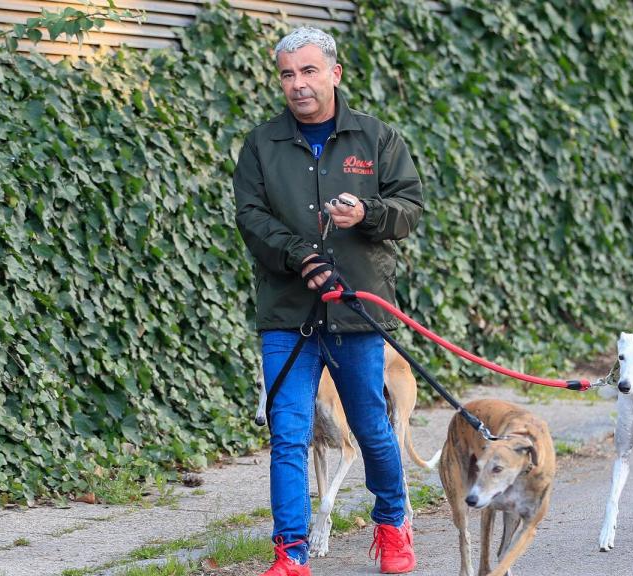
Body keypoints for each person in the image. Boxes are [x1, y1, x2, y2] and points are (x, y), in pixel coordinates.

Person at [233, 26, 424, 576]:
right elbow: (251, 217)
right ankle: (289, 554)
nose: (299, 85)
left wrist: (368, 214)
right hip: (289, 316)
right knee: (287, 432)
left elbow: (408, 207)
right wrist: (299, 256)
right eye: (288, 75)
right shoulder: (262, 144)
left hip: (358, 311)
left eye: (309, 71)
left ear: (334, 73)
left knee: (370, 427)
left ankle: (393, 526)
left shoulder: (376, 138)